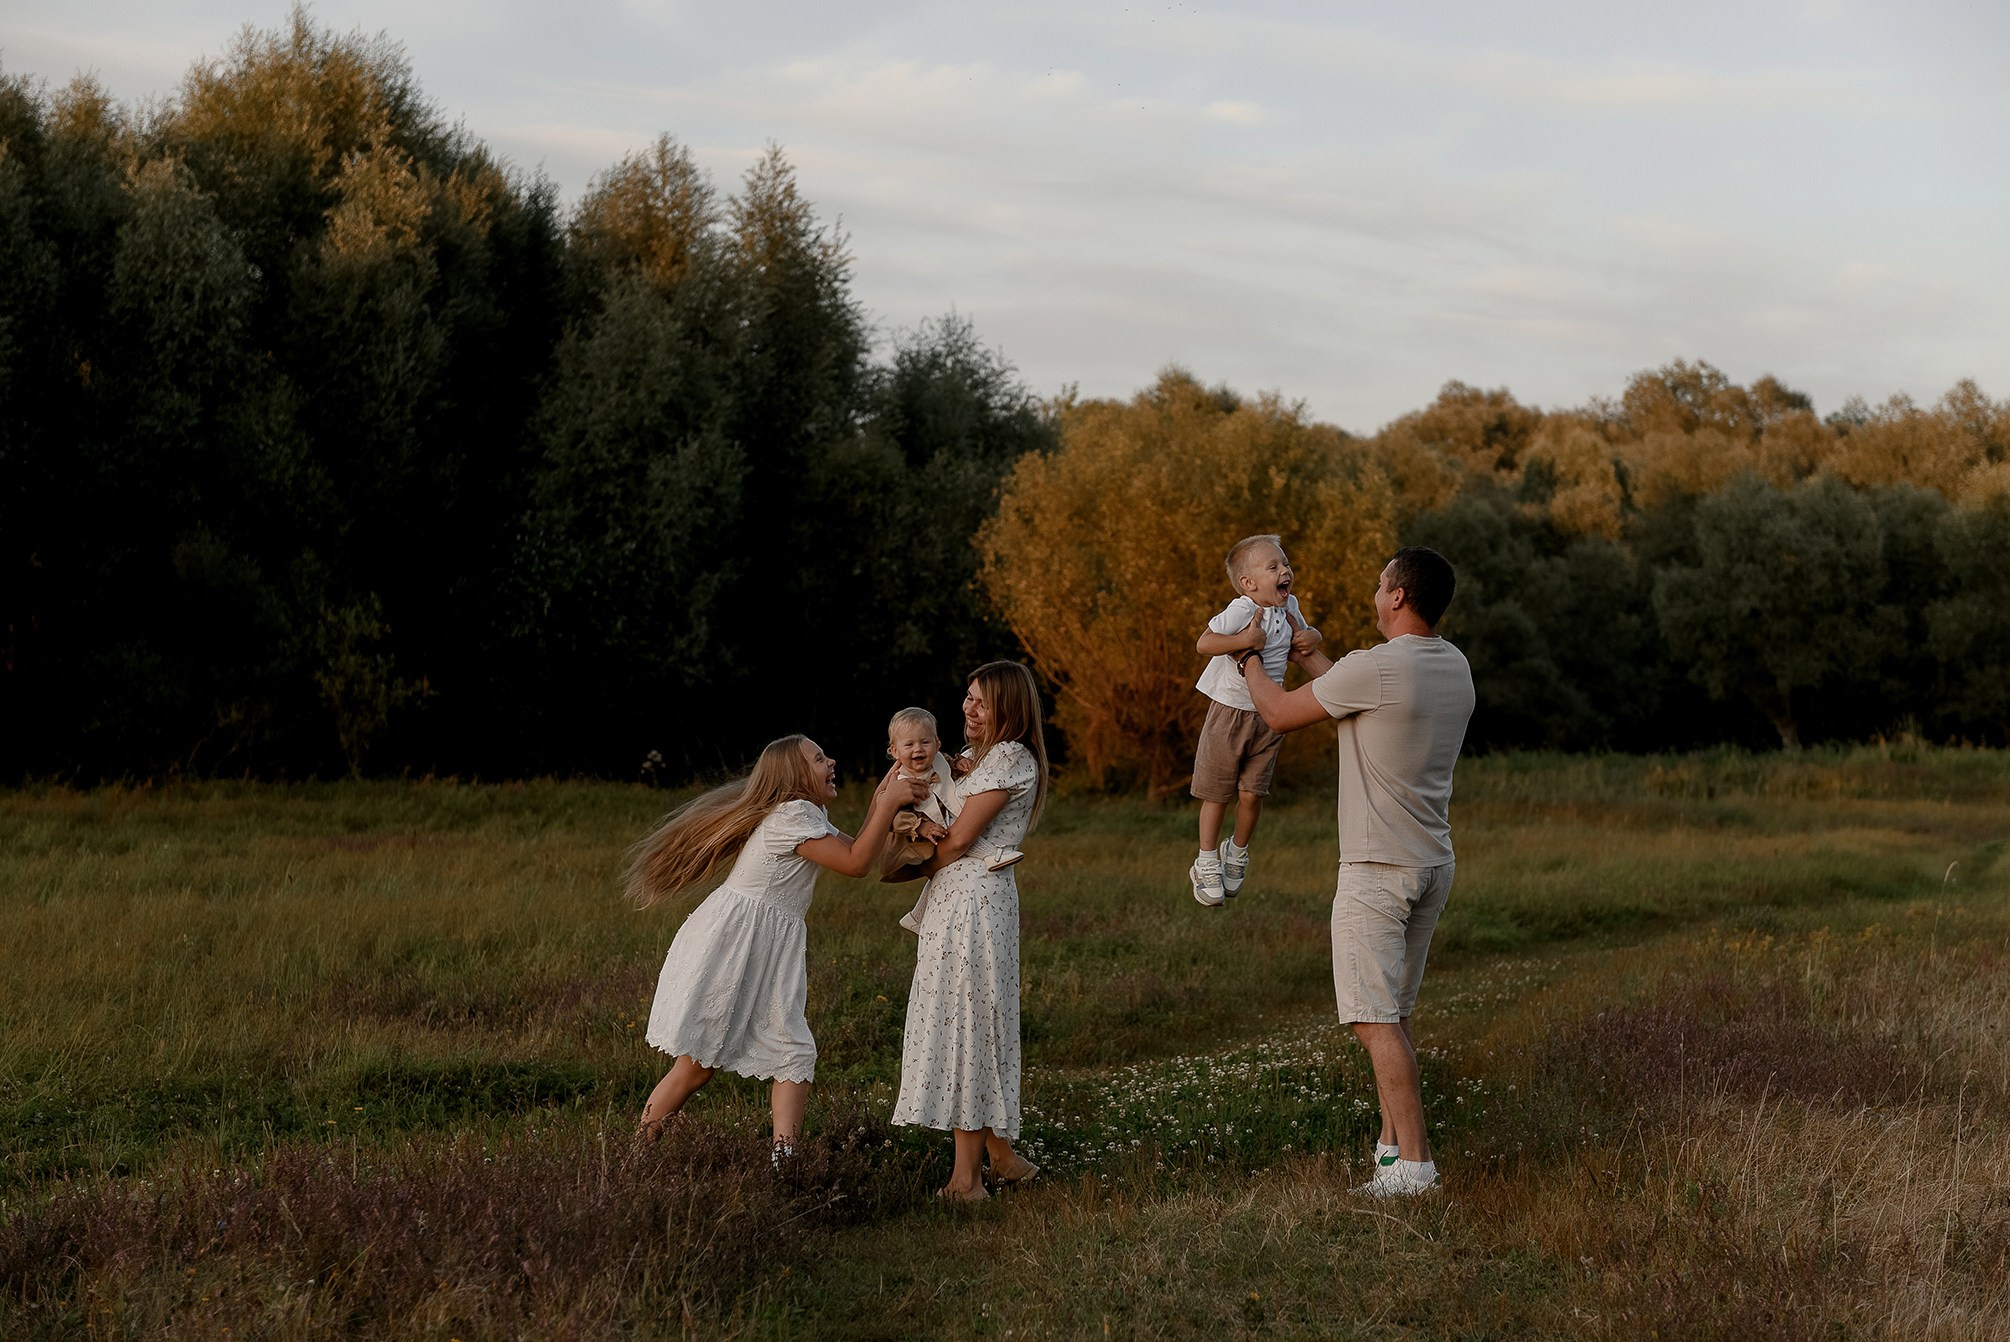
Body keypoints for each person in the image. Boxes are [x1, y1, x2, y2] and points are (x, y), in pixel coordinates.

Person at [1238, 546, 1473, 1197]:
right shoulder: (1452, 664)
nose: (1375, 595)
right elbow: (1356, 688)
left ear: (1398, 596)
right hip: (1432, 863)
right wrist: (1313, 652)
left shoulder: (1379, 668)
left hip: (1377, 870)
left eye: (1379, 586)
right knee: (1392, 1016)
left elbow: (1281, 712)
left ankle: (1418, 1168)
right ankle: (1391, 1159)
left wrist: (1249, 656)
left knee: (1373, 1021)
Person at [626, 735, 926, 1161]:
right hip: (733, 946)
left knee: (791, 1051)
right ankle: (637, 1155)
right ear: (796, 776)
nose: (831, 761)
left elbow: (861, 845)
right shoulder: (792, 817)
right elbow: (857, 863)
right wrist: (887, 800)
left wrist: (891, 792)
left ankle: (786, 1165)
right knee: (697, 1064)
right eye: (819, 758)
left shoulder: (807, 813)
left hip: (765, 945)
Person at [889, 661, 1049, 1200]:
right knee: (976, 1016)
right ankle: (1001, 1156)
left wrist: (907, 870)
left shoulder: (1008, 756)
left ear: (1008, 707)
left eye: (980, 701)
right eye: (967, 697)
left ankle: (966, 1180)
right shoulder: (982, 759)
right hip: (964, 900)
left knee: (969, 1023)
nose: (967, 708)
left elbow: (957, 842)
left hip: (973, 902)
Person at [1189, 534, 1322, 906]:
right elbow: (1205, 643)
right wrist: (1245, 639)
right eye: (1273, 566)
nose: (1285, 571)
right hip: (1229, 711)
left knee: (1252, 793)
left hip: (1270, 711)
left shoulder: (1290, 604)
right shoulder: (1242, 609)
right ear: (1249, 583)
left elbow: (1306, 635)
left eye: (1285, 564)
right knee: (1217, 793)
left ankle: (1239, 851)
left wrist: (1314, 635)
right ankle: (1206, 860)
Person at [884, 707, 1023, 935]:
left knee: (946, 862)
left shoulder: (938, 761)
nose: (918, 749)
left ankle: (916, 916)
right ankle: (991, 855)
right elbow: (893, 818)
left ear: (937, 743)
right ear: (895, 751)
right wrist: (920, 826)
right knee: (961, 836)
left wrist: (958, 763)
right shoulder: (900, 782)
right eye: (909, 745)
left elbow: (946, 763)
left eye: (925, 742)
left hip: (944, 820)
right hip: (920, 835)